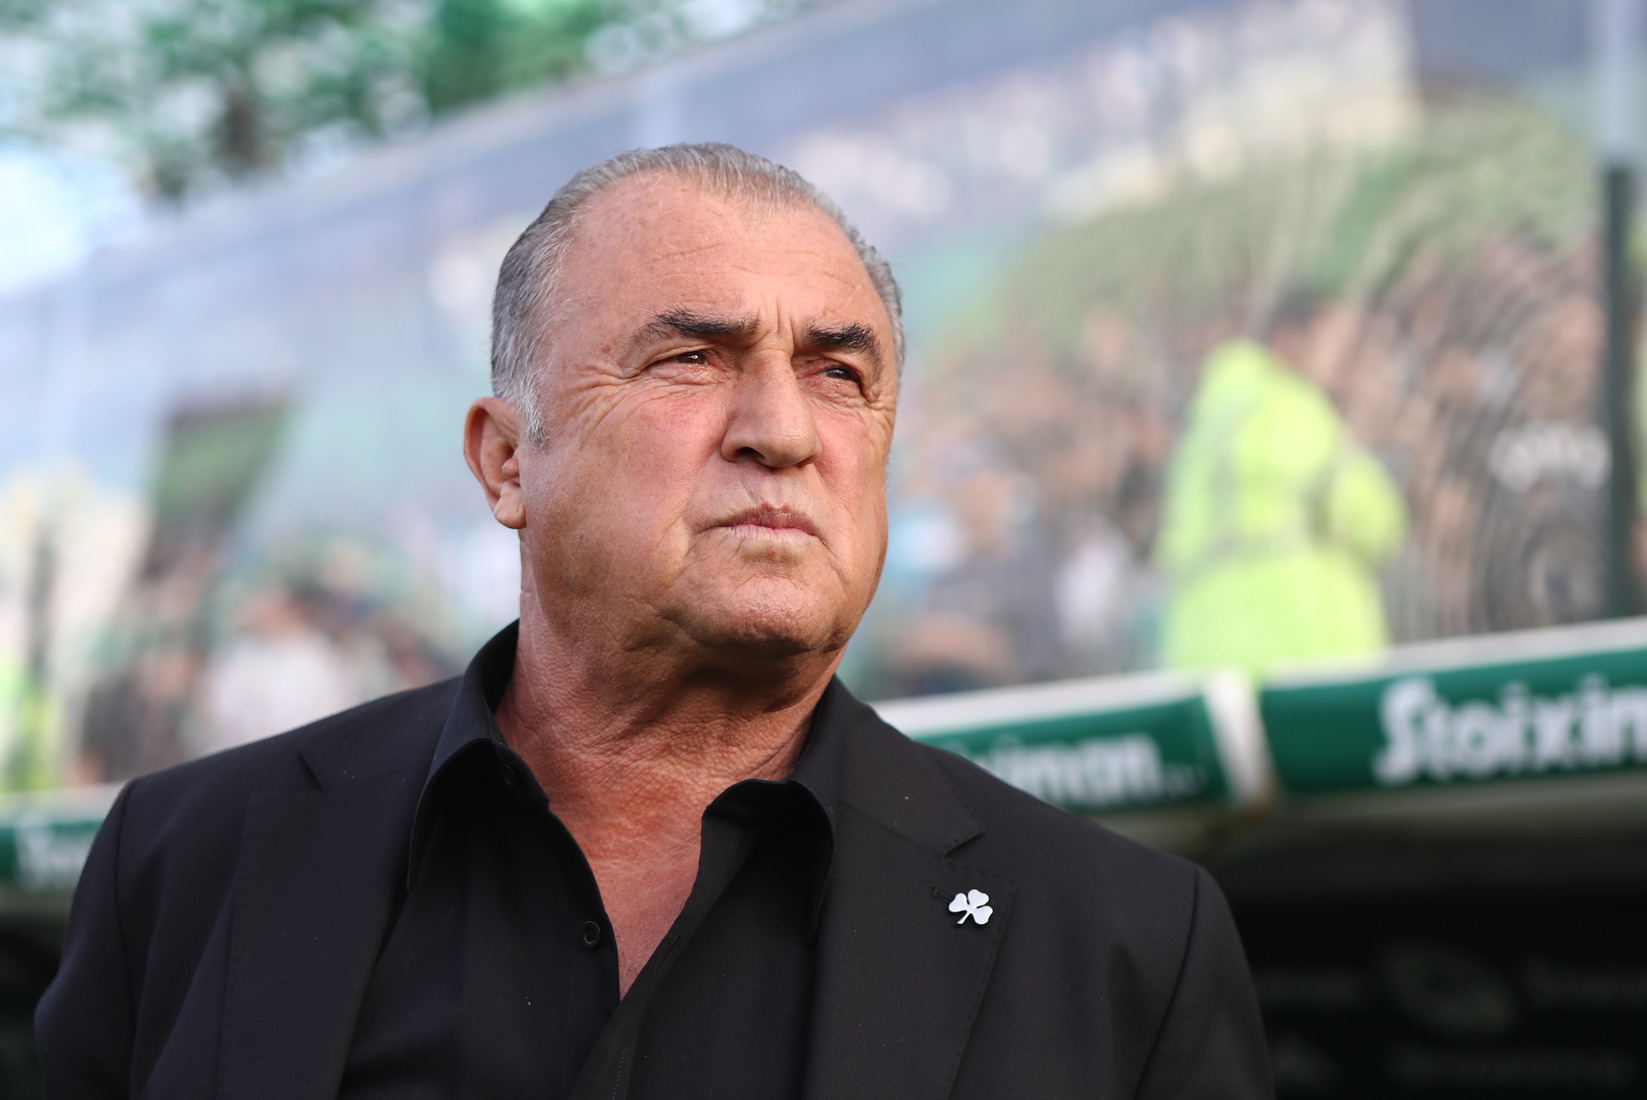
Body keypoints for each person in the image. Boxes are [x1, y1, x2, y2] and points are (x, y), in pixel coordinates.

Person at [37, 143, 1271, 1098]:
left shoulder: (1122, 946)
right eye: (691, 359)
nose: (783, 430)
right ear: (507, 460)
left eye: (840, 374)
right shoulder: (187, 865)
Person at [1156, 293, 1408, 675]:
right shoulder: (1291, 406)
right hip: (1297, 652)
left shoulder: (1208, 421)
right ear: (1289, 340)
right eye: (1339, 345)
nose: (1348, 365)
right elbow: (1376, 522)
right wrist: (1367, 434)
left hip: (1200, 658)